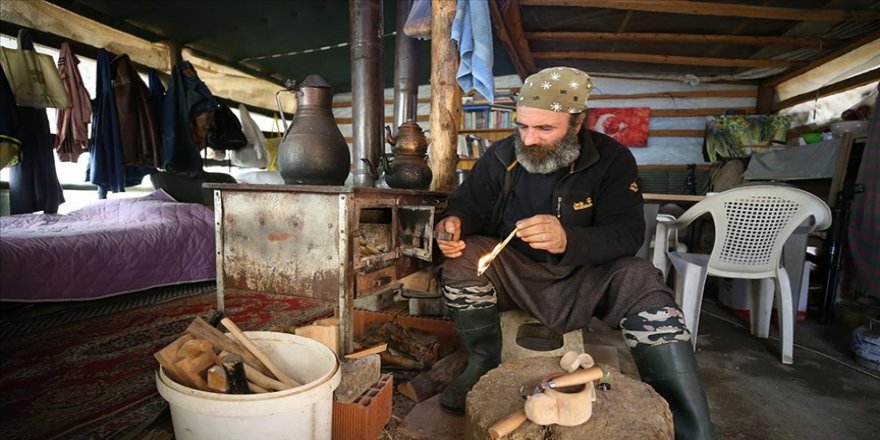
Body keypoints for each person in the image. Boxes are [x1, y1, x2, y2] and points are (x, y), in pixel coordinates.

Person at [434, 67, 716, 440]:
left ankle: (688, 423)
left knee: (641, 278)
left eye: (544, 129)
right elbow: (469, 205)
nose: (529, 139)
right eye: (522, 126)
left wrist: (569, 239)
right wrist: (454, 222)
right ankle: (482, 363)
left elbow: (629, 233)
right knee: (463, 255)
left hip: (587, 276)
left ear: (578, 121)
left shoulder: (612, 159)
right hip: (515, 271)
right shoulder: (503, 156)